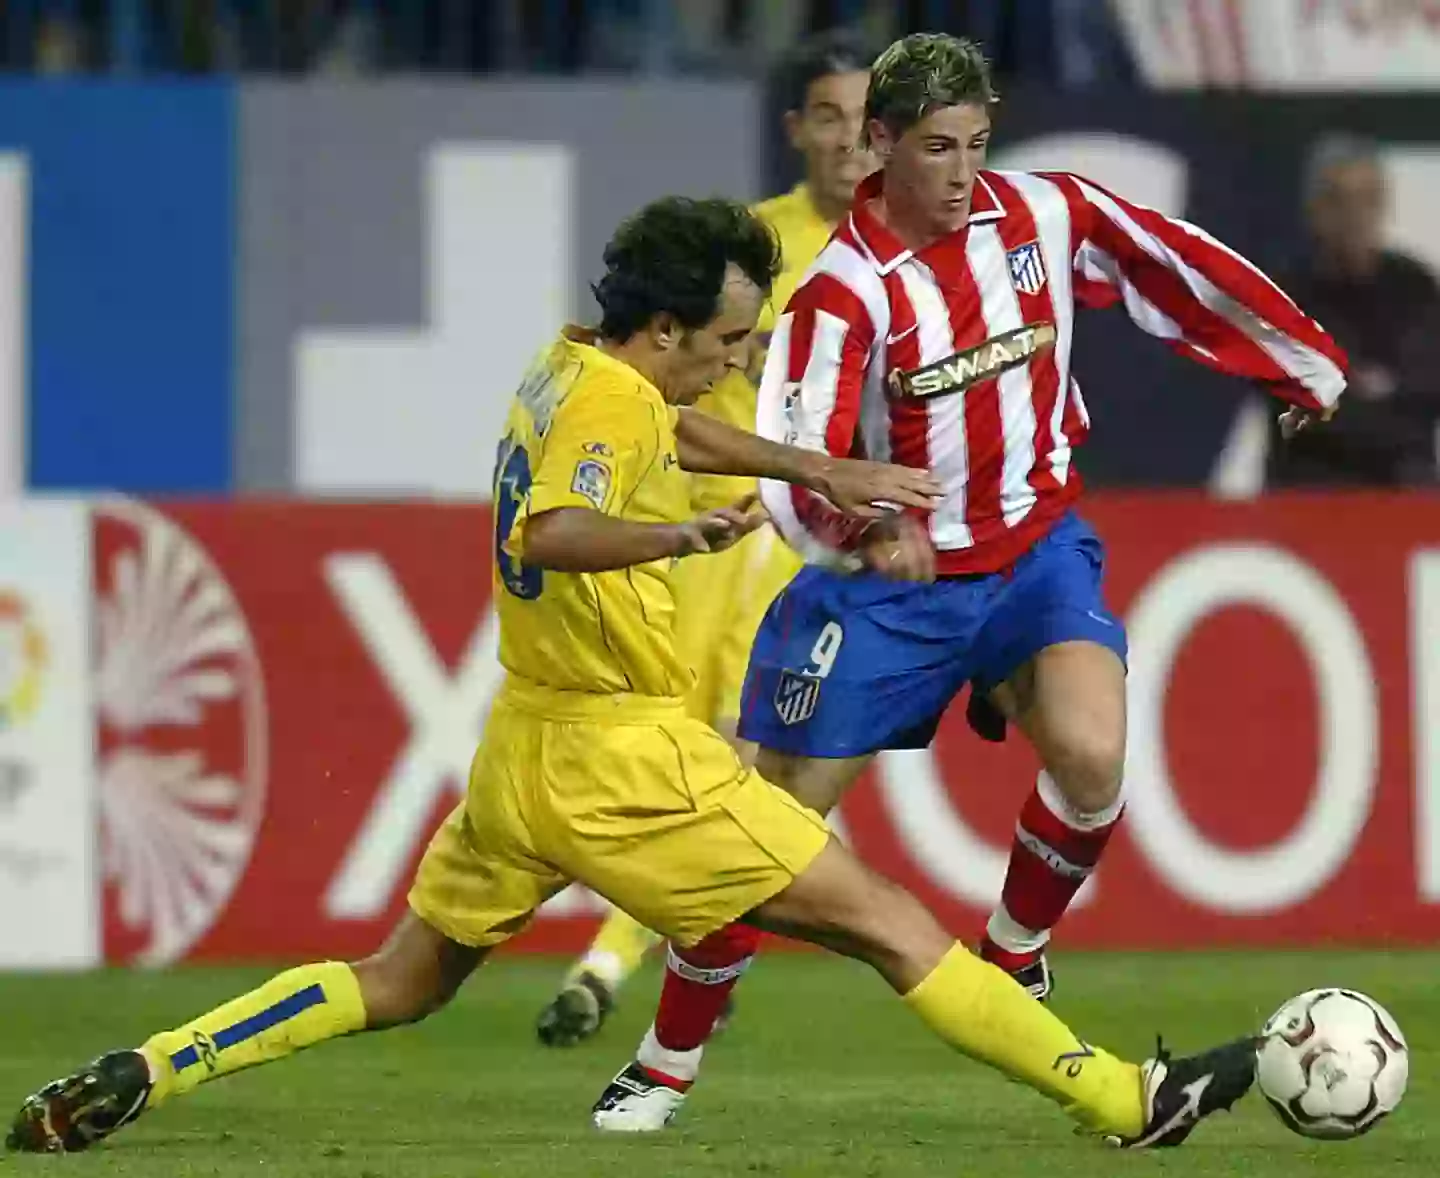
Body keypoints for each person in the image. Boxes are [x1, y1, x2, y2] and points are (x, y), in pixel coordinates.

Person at [6, 195, 1255, 1157]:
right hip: (626, 755)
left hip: (525, 746)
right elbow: (550, 525)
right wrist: (682, 534)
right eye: (723, 339)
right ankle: (1125, 1096)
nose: (734, 357)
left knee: (401, 976)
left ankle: (154, 1064)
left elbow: (679, 426)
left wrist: (813, 466)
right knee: (888, 921)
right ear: (665, 329)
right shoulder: (613, 413)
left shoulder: (573, 366)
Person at [593, 32, 1345, 1131]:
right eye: (938, 148)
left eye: (978, 144)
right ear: (881, 146)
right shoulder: (841, 295)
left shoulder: (1038, 216)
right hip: (886, 592)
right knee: (763, 837)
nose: (962, 172)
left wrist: (1301, 362)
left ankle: (1015, 952)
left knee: (1093, 755)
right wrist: (864, 529)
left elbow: (1166, 263)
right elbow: (797, 462)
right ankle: (665, 1059)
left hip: (1033, 551)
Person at [535, 28, 878, 1047]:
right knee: (683, 763)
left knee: (739, 763)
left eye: (866, 122)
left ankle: (609, 961)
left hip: (797, 546)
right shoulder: (744, 247)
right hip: (697, 525)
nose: (848, 142)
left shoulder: (904, 262)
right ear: (796, 131)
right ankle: (687, 947)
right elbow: (631, 351)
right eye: (828, 117)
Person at [1261, 133, 1440, 487]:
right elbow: (1309, 411)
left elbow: (1430, 387)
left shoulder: (1413, 286)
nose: (1356, 216)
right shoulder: (1283, 298)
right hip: (1311, 491)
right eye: (1339, 201)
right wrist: (1389, 396)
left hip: (1405, 487)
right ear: (1315, 210)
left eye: (1369, 200)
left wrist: (1361, 395)